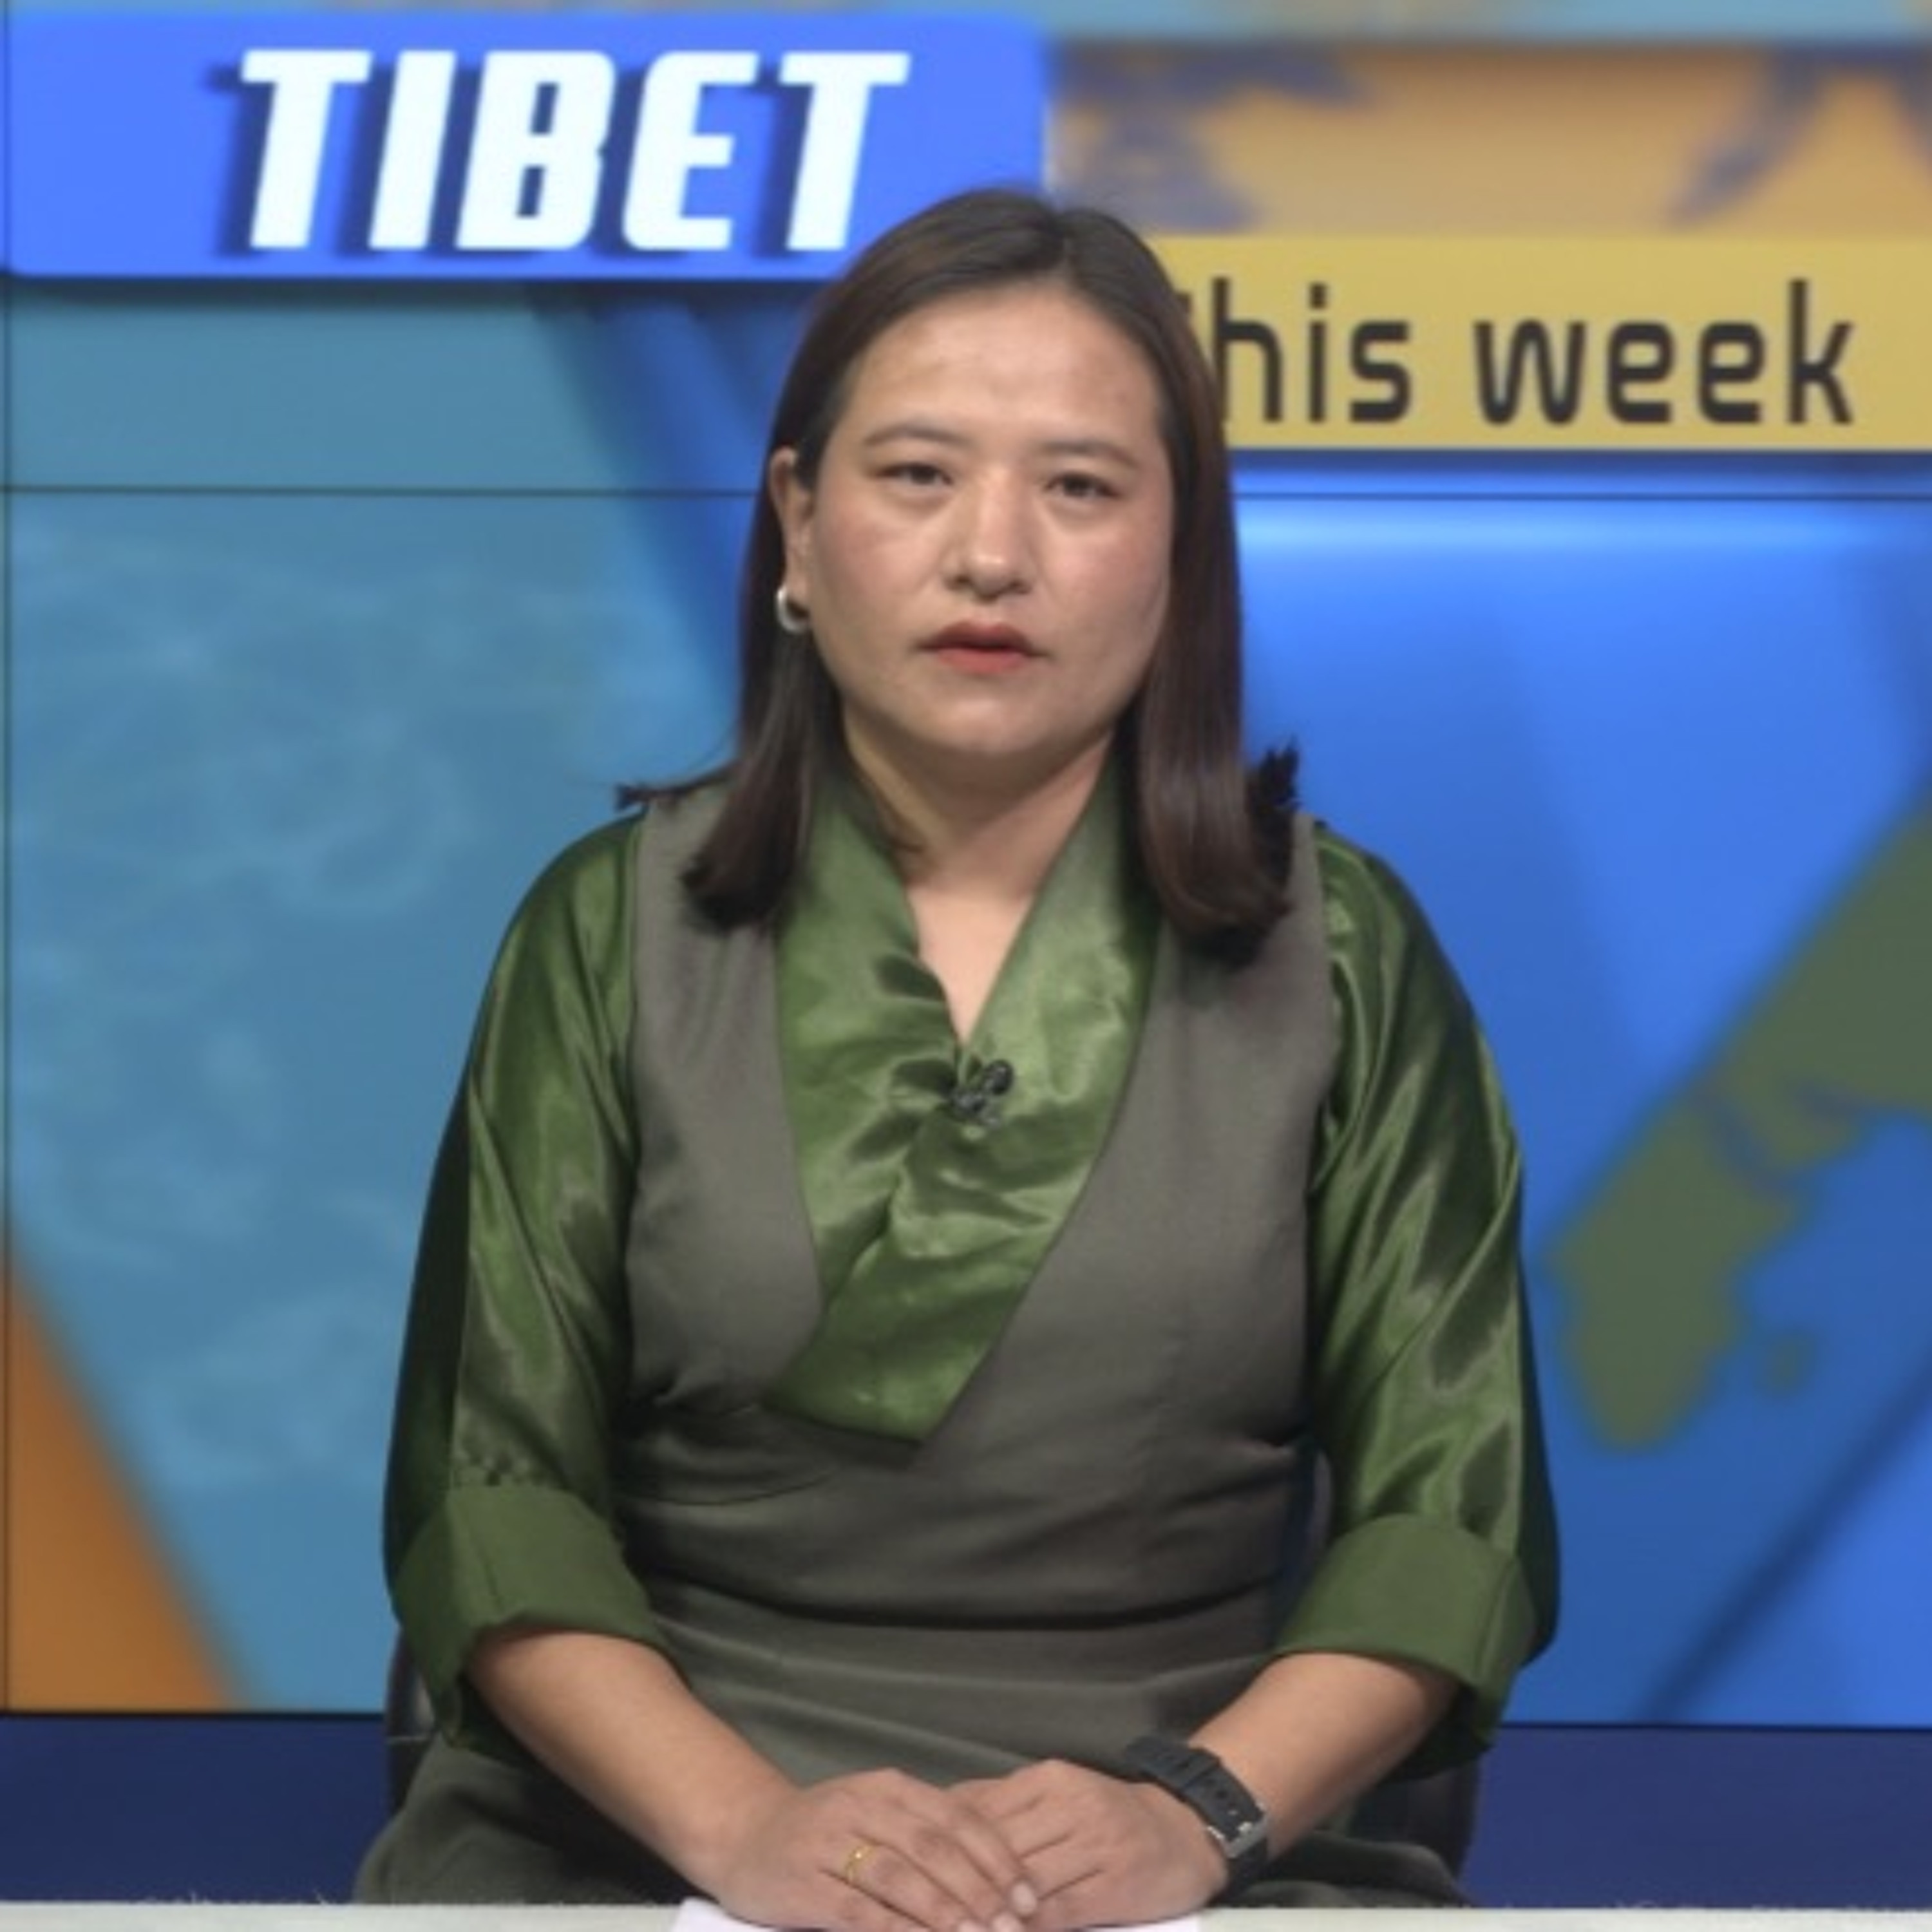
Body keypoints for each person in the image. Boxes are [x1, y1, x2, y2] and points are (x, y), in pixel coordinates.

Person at [355, 185, 1558, 1920]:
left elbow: (1451, 1520)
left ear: (1180, 549)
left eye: (1081, 488)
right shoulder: (605, 933)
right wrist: (749, 1835)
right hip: (647, 1835)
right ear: (798, 522)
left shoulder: (1349, 955)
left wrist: (1193, 1819)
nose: (993, 554)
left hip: (1179, 1841)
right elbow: (492, 1496)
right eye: (919, 474)